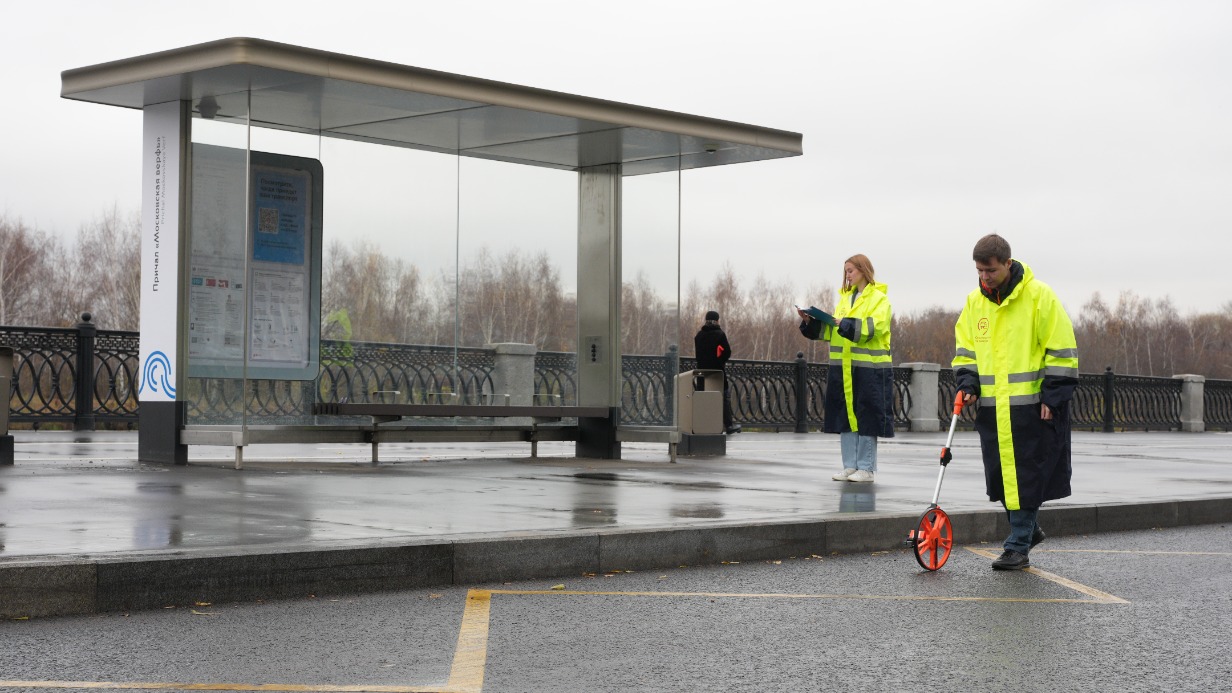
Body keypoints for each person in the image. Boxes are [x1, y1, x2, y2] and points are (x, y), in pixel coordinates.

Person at [953, 233, 1079, 571]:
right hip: (994, 408)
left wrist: (1052, 397)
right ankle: (1029, 530)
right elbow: (965, 352)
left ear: (1008, 263)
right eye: (979, 271)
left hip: (1032, 407)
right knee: (1002, 478)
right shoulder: (974, 303)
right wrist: (968, 384)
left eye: (990, 270)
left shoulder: (1039, 297)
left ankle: (1017, 545)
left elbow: (1062, 350)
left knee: (1027, 477)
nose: (984, 277)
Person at [797, 254, 894, 482]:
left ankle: (867, 468)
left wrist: (846, 324)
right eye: (845, 271)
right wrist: (812, 322)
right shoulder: (845, 300)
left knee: (867, 415)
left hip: (870, 368)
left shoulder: (880, 299)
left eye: (850, 270)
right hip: (844, 367)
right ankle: (850, 465)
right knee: (846, 415)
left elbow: (874, 328)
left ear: (863, 270)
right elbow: (833, 331)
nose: (847, 275)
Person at [694, 310, 740, 434]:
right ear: (717, 320)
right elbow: (727, 353)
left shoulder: (699, 335)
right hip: (717, 372)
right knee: (723, 398)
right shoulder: (720, 334)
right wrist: (720, 358)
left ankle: (700, 424)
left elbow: (698, 355)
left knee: (702, 398)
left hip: (701, 373)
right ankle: (729, 425)